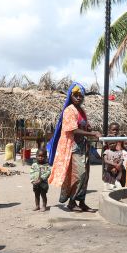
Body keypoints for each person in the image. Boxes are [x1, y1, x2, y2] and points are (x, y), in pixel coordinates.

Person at [47, 82, 101, 212]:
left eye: (81, 96)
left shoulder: (81, 111)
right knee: (79, 174)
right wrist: (92, 133)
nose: (78, 98)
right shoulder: (69, 110)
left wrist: (88, 128)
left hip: (83, 146)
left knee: (86, 174)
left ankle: (81, 202)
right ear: (70, 96)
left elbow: (83, 126)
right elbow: (73, 130)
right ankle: (72, 201)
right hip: (73, 146)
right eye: (76, 95)